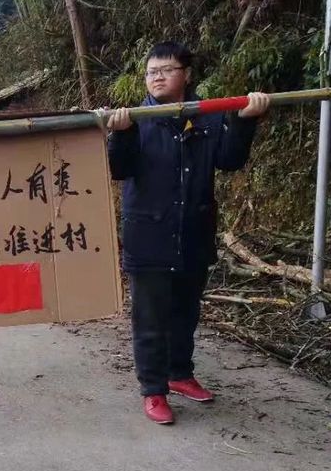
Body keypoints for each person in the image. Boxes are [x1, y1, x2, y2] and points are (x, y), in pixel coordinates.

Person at [106, 43, 269, 425]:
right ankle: (153, 389)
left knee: (185, 313)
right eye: (151, 72)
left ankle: (179, 374)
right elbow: (119, 169)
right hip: (149, 236)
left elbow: (230, 160)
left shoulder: (207, 117)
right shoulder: (137, 120)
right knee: (150, 320)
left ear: (187, 74)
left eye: (167, 70)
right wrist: (121, 134)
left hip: (193, 232)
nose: (158, 77)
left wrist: (245, 120)